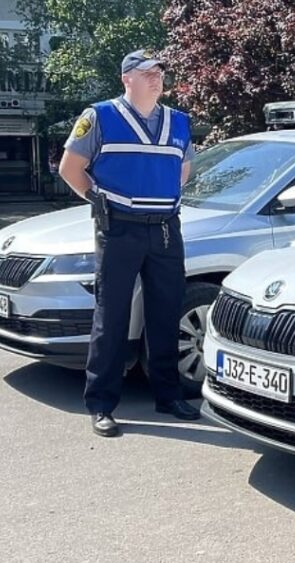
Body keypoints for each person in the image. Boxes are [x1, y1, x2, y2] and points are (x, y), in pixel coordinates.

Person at [59, 49, 200, 438]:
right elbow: (70, 168)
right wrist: (99, 201)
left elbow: (183, 170)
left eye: (159, 72)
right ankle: (101, 404)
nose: (156, 78)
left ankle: (168, 396)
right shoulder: (100, 116)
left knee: (166, 313)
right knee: (112, 316)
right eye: (147, 72)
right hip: (119, 228)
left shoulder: (179, 121)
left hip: (165, 229)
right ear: (127, 79)